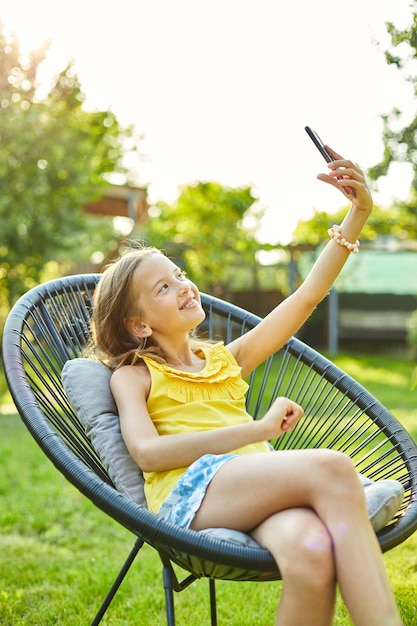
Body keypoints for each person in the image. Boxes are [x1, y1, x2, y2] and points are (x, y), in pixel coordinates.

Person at [91, 147, 403, 626]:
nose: (183, 286)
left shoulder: (225, 360)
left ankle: (345, 505)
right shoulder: (135, 375)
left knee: (310, 552)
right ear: (138, 326)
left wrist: (358, 212)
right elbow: (150, 455)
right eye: (163, 288)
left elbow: (306, 296)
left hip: (251, 489)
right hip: (192, 496)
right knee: (334, 469)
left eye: (179, 275)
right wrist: (254, 430)